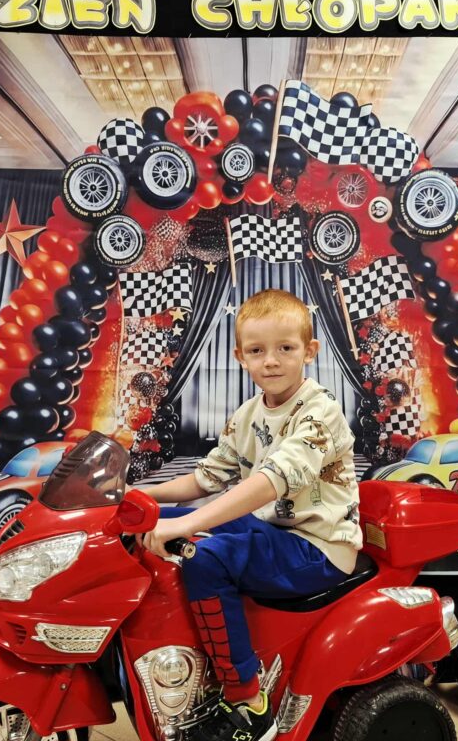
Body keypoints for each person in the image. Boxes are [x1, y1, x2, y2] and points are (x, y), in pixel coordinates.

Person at [140, 289, 362, 741]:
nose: (272, 361)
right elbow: (205, 478)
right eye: (258, 351)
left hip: (318, 548)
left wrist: (187, 524)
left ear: (310, 351)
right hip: (273, 530)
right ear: (240, 357)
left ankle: (247, 698)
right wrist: (139, 496)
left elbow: (272, 480)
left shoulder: (319, 412)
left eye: (286, 348)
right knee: (158, 515)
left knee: (204, 555)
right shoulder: (247, 415)